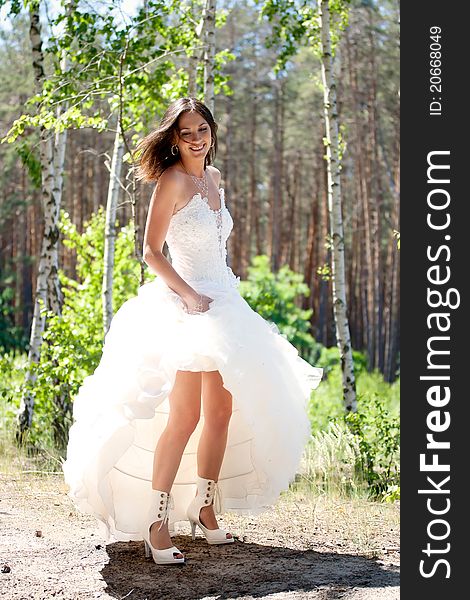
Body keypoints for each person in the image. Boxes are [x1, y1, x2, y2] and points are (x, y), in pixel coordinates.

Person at [62, 97, 323, 566]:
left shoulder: (216, 178)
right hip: (185, 306)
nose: (197, 139)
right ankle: (156, 525)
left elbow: (217, 248)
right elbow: (151, 251)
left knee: (220, 412)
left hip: (225, 303)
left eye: (202, 129)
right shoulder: (172, 181)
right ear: (174, 139)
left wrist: (220, 295)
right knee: (183, 417)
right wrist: (187, 295)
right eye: (186, 133)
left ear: (211, 131)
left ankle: (204, 510)